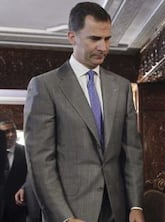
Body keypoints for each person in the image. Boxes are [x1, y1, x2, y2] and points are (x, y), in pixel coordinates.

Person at [23, 2, 144, 222]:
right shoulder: (45, 86)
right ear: (72, 37)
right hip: (71, 212)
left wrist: (136, 205)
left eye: (107, 39)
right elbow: (41, 163)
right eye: (94, 39)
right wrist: (64, 217)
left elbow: (132, 155)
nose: (104, 48)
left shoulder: (122, 87)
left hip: (117, 211)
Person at [0, 117, 27, 222]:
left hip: (18, 209)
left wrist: (24, 188)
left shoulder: (26, 153)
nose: (11, 134)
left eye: (13, 131)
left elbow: (32, 177)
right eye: (6, 132)